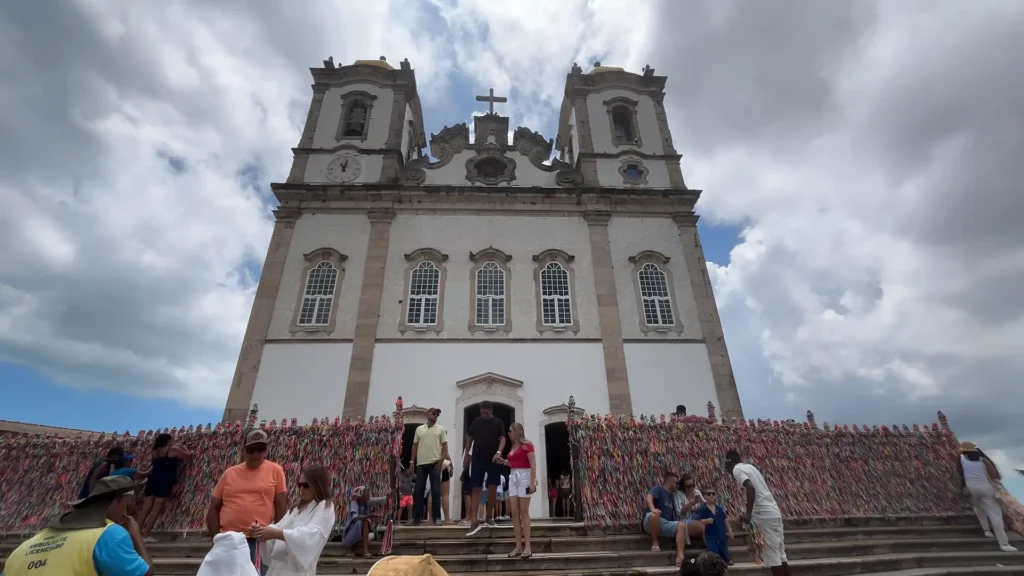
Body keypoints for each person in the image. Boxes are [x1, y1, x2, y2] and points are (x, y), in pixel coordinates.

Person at [4, 475, 153, 576]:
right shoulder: (109, 534)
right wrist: (136, 534)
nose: (129, 511)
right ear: (117, 501)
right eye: (127, 505)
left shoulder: (28, 544)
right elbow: (145, 573)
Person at [208, 429, 288, 575]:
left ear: (266, 450)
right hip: (228, 539)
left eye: (261, 450)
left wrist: (275, 535)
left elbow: (280, 505)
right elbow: (214, 507)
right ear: (244, 450)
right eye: (252, 450)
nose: (256, 455)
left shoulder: (276, 470)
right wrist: (216, 538)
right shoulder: (229, 473)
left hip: (258, 540)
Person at [252, 464, 337, 576]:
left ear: (317, 485)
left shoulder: (325, 507)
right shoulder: (296, 509)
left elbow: (312, 537)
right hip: (276, 570)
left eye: (306, 485)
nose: (301, 489)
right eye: (299, 485)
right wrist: (262, 532)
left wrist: (276, 533)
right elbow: (278, 527)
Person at [726, 449, 788, 575]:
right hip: (773, 512)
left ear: (728, 462)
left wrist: (748, 514)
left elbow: (750, 487)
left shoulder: (736, 469)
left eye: (725, 465)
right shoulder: (749, 467)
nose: (726, 469)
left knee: (773, 555)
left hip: (765, 516)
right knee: (780, 554)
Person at [955, 441, 1017, 552]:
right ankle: (1004, 543)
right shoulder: (983, 460)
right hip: (986, 487)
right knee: (995, 515)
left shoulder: (961, 459)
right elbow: (995, 476)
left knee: (978, 508)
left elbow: (960, 473)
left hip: (971, 488)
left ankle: (986, 530)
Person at [138, 433, 192, 542]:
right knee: (155, 509)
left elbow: (153, 467)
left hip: (152, 480)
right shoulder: (173, 449)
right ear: (168, 441)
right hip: (164, 481)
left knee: (145, 509)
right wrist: (184, 447)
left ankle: (134, 534)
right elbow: (189, 456)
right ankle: (146, 535)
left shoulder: (155, 453)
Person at [495, 422, 538, 558]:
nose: (508, 434)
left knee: (524, 512)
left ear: (517, 431)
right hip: (513, 476)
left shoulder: (527, 445)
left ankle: (528, 547)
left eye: (510, 431)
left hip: (524, 477)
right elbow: (514, 463)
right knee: (514, 512)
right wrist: (504, 462)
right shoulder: (513, 446)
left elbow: (532, 463)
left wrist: (532, 482)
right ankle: (518, 546)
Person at [463, 401, 506, 536]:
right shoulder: (476, 422)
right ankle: (474, 521)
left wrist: (499, 452)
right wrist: (467, 455)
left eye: (486, 412)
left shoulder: (498, 422)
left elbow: (503, 439)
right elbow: (469, 438)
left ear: (491, 410)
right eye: (482, 412)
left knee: (493, 486)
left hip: (493, 459)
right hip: (477, 458)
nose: (484, 414)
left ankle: (489, 516)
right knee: (476, 487)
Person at [410, 407, 448, 526]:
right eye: (434, 413)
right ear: (428, 414)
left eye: (437, 414)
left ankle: (437, 518)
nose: (436, 415)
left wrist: (442, 459)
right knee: (419, 491)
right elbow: (414, 446)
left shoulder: (441, 429)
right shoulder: (419, 429)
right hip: (421, 463)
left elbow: (444, 445)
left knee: (436, 491)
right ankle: (416, 518)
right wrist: (412, 461)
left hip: (435, 463)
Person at [643, 470, 688, 567]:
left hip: (664, 523)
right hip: (651, 521)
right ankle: (655, 542)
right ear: (670, 482)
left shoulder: (673, 496)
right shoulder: (658, 488)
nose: (678, 485)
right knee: (654, 515)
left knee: (682, 526)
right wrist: (653, 509)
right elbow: (649, 498)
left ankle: (680, 555)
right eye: (676, 483)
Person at [337, 486, 385, 557]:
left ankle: (365, 551)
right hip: (351, 531)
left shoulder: (367, 502)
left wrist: (390, 495)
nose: (368, 493)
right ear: (361, 494)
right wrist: (369, 516)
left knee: (366, 523)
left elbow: (381, 499)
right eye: (366, 491)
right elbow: (355, 518)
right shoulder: (354, 503)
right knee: (361, 522)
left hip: (362, 533)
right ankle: (350, 549)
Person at [697, 488, 733, 565]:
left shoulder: (719, 508)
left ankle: (726, 559)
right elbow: (699, 520)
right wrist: (706, 521)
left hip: (721, 533)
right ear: (704, 496)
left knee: (723, 549)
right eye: (709, 494)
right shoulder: (703, 508)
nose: (711, 495)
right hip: (710, 534)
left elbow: (725, 519)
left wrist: (730, 531)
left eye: (713, 494)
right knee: (714, 551)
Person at [678, 474, 713, 545]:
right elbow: (679, 512)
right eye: (688, 487)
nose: (691, 488)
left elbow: (706, 506)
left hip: (697, 517)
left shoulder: (696, 492)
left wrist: (702, 502)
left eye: (692, 485)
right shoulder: (679, 494)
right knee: (705, 528)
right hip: (685, 520)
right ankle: (712, 549)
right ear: (683, 487)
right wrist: (690, 503)